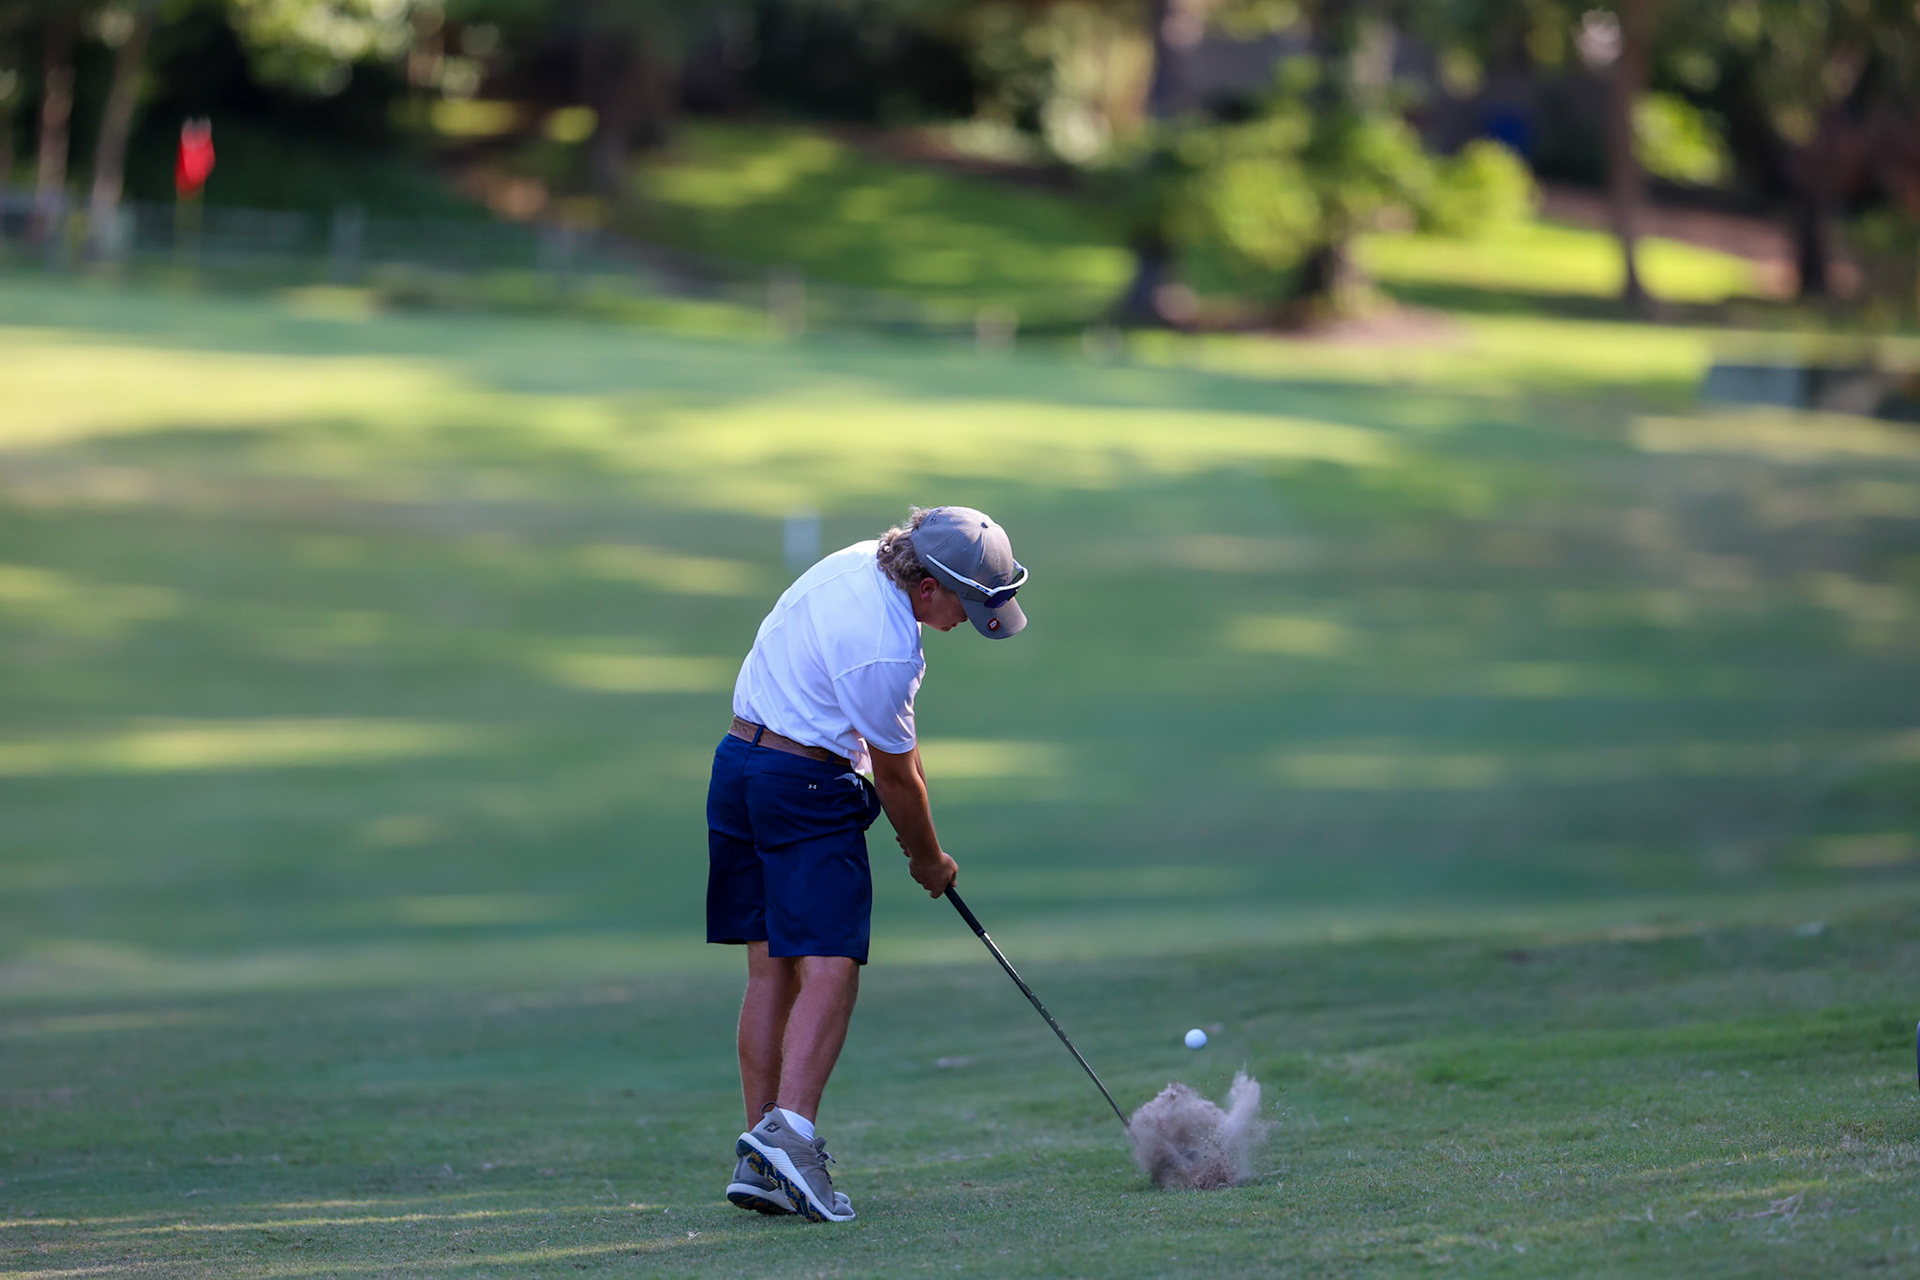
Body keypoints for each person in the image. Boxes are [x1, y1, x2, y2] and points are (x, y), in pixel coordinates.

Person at [706, 505, 1028, 1223]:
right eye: (965, 608)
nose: (962, 625)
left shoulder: (857, 562)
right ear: (928, 588)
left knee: (770, 967)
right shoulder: (888, 648)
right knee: (832, 965)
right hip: (804, 785)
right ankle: (791, 1137)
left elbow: (893, 760)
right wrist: (930, 860)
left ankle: (762, 1156)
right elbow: (898, 778)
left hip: (738, 766)